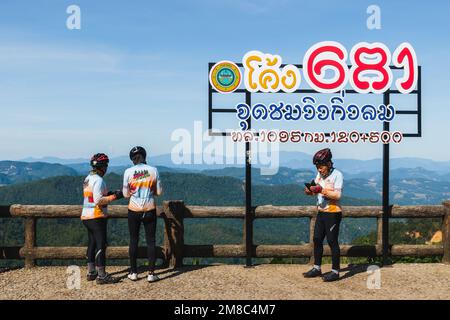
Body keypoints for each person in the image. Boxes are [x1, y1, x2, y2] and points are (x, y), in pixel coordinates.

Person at [81, 153, 123, 284]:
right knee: (101, 245)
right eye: (106, 165)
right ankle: (102, 275)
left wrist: (110, 193)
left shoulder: (88, 178)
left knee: (92, 243)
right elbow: (99, 200)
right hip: (96, 216)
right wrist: (115, 197)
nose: (107, 168)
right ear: (102, 167)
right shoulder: (99, 180)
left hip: (86, 215)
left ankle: (91, 272)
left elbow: (94, 196)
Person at [303, 148, 344, 282]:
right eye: (317, 167)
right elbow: (316, 191)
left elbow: (337, 195)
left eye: (321, 167)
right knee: (317, 239)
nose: (319, 170)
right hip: (321, 211)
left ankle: (335, 271)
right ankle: (317, 268)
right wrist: (310, 190)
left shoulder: (337, 175)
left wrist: (321, 190)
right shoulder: (319, 176)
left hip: (333, 212)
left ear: (328, 164)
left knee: (332, 241)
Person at [123, 146, 163, 282]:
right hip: (149, 209)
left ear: (132, 159)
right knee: (151, 241)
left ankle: (133, 272)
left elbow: (125, 194)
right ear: (144, 156)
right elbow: (159, 192)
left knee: (134, 240)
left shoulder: (128, 172)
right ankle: (151, 274)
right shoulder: (153, 170)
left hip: (134, 210)